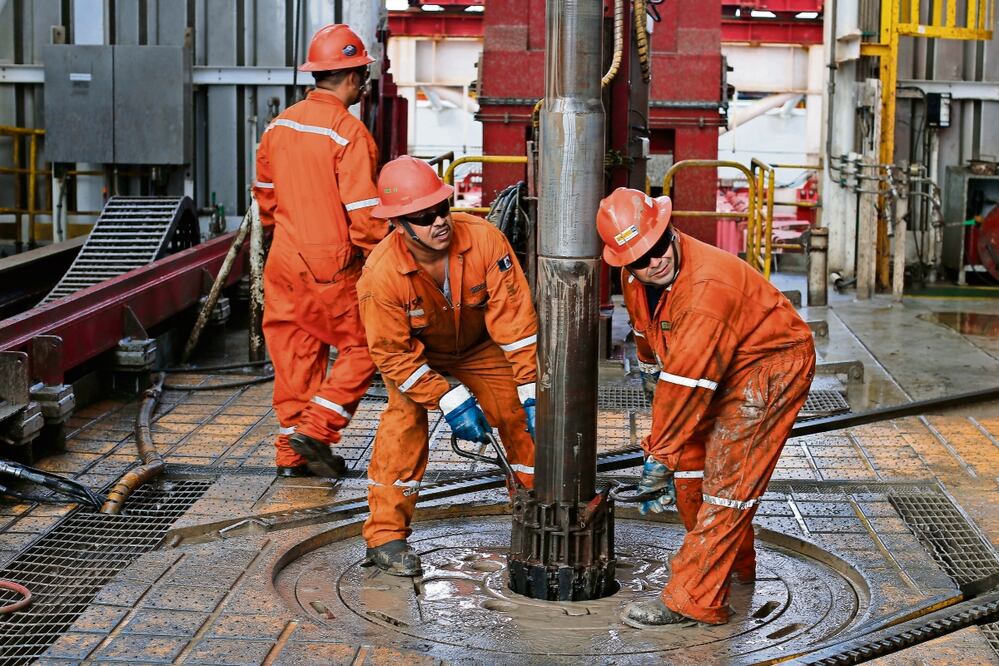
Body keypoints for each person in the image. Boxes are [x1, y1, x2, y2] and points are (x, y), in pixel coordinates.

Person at [595, 188, 816, 627]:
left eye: (658, 247)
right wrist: (648, 373)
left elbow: (687, 385)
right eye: (640, 259)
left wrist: (658, 454)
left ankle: (693, 599)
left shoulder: (706, 289)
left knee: (728, 486)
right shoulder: (636, 275)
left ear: (668, 229)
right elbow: (648, 335)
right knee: (692, 470)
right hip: (716, 364)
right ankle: (734, 565)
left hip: (767, 366)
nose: (654, 261)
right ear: (624, 263)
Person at [356, 156, 538, 576]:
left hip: (478, 344)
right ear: (398, 224)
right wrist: (449, 399)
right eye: (423, 216)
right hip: (415, 355)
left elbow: (516, 323)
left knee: (519, 412)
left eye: (442, 208)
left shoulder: (485, 240)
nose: (439, 221)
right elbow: (392, 355)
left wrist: (529, 386)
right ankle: (386, 537)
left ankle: (534, 507)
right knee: (403, 422)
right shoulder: (380, 276)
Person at [253, 24, 387, 478]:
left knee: (295, 352)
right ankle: (317, 428)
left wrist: (285, 233)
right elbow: (366, 216)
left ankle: (292, 456)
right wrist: (386, 262)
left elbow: (265, 198)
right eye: (363, 75)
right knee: (367, 344)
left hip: (284, 259)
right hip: (330, 263)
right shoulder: (349, 133)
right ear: (353, 77)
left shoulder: (279, 126)